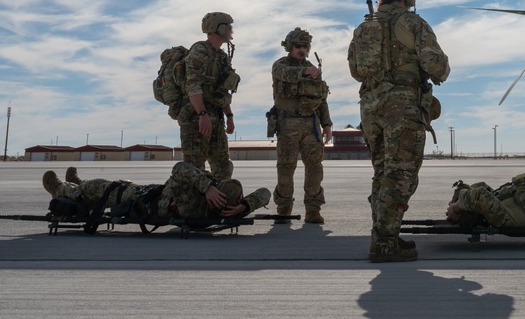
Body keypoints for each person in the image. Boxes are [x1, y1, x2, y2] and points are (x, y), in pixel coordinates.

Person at [348, 0, 450, 262]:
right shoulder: (412, 23)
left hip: (370, 107)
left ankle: (382, 235)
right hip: (402, 106)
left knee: (382, 173)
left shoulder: (364, 28)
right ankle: (385, 242)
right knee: (401, 175)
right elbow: (436, 65)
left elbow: (356, 71)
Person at [42, 162, 271, 220]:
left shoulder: (195, 205)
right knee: (105, 185)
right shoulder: (231, 207)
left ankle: (61, 188)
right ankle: (78, 183)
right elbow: (265, 192)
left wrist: (206, 187)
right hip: (152, 191)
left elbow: (179, 168)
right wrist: (246, 206)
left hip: (141, 200)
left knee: (101, 190)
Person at [271, 27, 332, 222]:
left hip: (311, 125)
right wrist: (306, 72)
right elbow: (285, 73)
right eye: (298, 46)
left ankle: (313, 209)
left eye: (305, 46)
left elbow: (322, 99)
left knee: (315, 167)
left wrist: (327, 124)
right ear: (290, 46)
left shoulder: (313, 70)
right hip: (288, 123)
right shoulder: (280, 65)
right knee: (286, 166)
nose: (302, 49)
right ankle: (284, 208)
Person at [179, 12, 241, 180]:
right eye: (228, 27)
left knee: (223, 166)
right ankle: (195, 205)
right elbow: (192, 85)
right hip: (195, 117)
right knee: (195, 168)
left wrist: (229, 115)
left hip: (215, 116)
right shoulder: (199, 50)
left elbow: (222, 90)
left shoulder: (222, 57)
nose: (231, 30)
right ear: (218, 28)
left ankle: (219, 204)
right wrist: (202, 114)